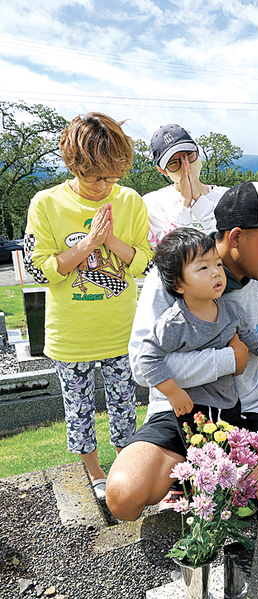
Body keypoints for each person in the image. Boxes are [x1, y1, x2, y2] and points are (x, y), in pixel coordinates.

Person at [106, 181, 258, 521]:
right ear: (235, 238)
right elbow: (142, 367)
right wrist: (227, 361)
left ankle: (220, 477)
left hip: (245, 412)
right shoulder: (174, 276)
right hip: (178, 412)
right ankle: (199, 477)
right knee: (124, 497)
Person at [24, 112, 153, 499]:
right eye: (96, 176)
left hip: (120, 331)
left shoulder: (129, 201)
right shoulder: (45, 204)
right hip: (71, 336)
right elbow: (40, 271)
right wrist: (86, 245)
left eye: (112, 177)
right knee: (78, 410)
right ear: (74, 164)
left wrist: (110, 241)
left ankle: (125, 470)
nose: (105, 185)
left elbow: (144, 260)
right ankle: (96, 474)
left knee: (124, 407)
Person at [138, 226, 258, 436]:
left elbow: (249, 338)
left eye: (218, 264)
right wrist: (173, 392)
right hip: (193, 410)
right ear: (178, 284)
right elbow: (147, 358)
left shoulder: (231, 310)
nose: (216, 272)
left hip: (229, 405)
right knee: (207, 463)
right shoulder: (175, 322)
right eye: (203, 268)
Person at [143, 124, 228, 249]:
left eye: (189, 155)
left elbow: (232, 245)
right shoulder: (152, 204)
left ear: (198, 152)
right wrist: (184, 204)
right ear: (163, 171)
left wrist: (199, 200)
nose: (185, 165)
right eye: (173, 163)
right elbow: (164, 253)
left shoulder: (227, 196)